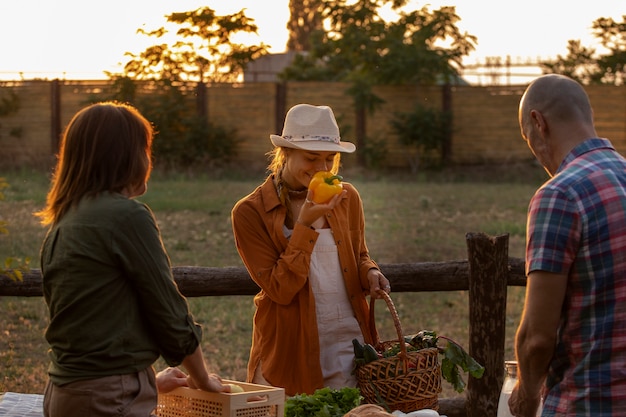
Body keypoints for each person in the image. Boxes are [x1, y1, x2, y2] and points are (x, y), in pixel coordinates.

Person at [36, 102, 229, 417]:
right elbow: (167, 309)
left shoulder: (66, 219)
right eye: (145, 148)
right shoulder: (125, 217)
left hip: (65, 393)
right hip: (108, 398)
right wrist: (203, 378)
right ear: (127, 156)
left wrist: (150, 380)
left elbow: (96, 326)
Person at [231, 103, 390, 396]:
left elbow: (359, 254)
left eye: (330, 159)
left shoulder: (347, 197)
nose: (322, 168)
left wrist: (370, 272)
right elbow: (280, 288)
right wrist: (306, 223)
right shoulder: (250, 212)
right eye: (311, 157)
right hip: (291, 347)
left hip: (347, 341)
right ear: (286, 153)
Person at [509, 74, 626, 416]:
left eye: (526, 137)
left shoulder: (560, 195)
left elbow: (537, 337)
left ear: (537, 123)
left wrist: (526, 396)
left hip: (589, 403)